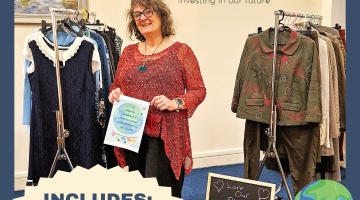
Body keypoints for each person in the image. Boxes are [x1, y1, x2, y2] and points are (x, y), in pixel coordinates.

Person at [108, 0, 206, 197]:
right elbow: (117, 84)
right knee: (135, 186)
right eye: (137, 14)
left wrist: (175, 103)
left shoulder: (181, 51)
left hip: (164, 132)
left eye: (148, 12)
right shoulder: (128, 53)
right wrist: (115, 93)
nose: (143, 18)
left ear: (161, 15)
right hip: (131, 129)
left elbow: (198, 90)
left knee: (161, 188)